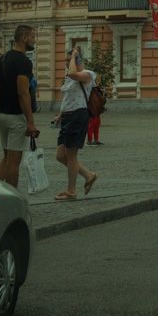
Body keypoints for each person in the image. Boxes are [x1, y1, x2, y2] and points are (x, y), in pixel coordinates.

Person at [0, 25, 39, 188]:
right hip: (15, 116)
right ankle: (12, 197)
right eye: (33, 37)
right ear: (24, 37)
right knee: (14, 161)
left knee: (6, 158)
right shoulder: (23, 62)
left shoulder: (2, 59)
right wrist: (30, 122)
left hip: (0, 114)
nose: (35, 40)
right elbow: (23, 92)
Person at [53, 46, 98, 201]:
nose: (67, 64)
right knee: (60, 155)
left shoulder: (87, 74)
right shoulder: (70, 77)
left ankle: (71, 191)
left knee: (71, 156)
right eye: (66, 61)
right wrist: (60, 114)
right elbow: (68, 98)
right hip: (68, 117)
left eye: (69, 60)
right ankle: (88, 175)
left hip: (78, 116)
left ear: (78, 61)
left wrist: (74, 56)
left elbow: (73, 73)